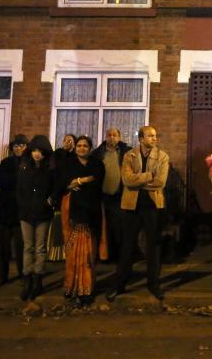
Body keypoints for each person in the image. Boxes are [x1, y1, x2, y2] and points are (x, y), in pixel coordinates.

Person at [107, 125, 169, 301]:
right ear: (141, 139)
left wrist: (138, 180)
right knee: (127, 246)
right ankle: (120, 284)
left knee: (153, 246)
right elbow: (126, 180)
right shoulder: (129, 155)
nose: (154, 138)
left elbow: (160, 182)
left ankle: (154, 284)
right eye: (150, 136)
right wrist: (149, 175)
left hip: (152, 206)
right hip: (131, 207)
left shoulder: (162, 156)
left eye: (155, 135)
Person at [57, 135, 105, 305]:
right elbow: (62, 184)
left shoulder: (97, 164)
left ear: (90, 148)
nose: (82, 148)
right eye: (79, 145)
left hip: (91, 213)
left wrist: (76, 181)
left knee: (88, 254)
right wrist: (81, 181)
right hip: (72, 212)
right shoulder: (68, 163)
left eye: (85, 145)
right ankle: (71, 287)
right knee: (72, 253)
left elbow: (97, 182)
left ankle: (87, 289)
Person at [16, 135, 55, 300]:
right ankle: (27, 280)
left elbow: (54, 188)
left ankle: (38, 279)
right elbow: (19, 190)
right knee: (28, 247)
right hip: (26, 213)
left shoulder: (49, 170)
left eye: (40, 151)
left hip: (42, 213)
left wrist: (49, 201)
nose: (37, 154)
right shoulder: (24, 168)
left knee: (40, 247)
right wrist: (23, 205)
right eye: (34, 151)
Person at [0, 134, 28, 287]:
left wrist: (13, 181)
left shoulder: (29, 162)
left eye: (21, 145)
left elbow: (27, 183)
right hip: (5, 209)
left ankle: (23, 274)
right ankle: (1, 275)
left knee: (22, 247)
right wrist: (17, 180)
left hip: (21, 210)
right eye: (15, 146)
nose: (18, 148)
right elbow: (0, 180)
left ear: (26, 147)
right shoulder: (6, 162)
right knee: (2, 247)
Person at [92, 127, 129, 263]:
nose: (112, 137)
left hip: (120, 196)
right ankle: (105, 256)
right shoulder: (98, 153)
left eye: (115, 135)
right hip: (103, 197)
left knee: (119, 228)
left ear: (119, 137)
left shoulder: (126, 152)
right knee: (104, 228)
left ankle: (120, 256)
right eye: (109, 135)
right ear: (105, 137)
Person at [47, 133, 76, 262]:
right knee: (58, 224)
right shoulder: (58, 154)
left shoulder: (76, 156)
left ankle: (70, 251)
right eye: (66, 140)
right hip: (58, 192)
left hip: (73, 192)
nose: (68, 143)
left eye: (71, 141)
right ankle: (57, 253)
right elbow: (55, 171)